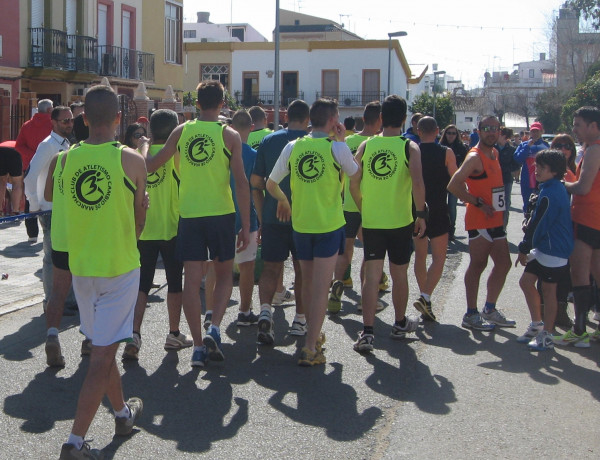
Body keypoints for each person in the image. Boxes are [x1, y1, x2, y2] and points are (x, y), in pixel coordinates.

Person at [57, 84, 146, 459]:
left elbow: (61, 221)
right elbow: (140, 221)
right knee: (101, 358)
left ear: (83, 120)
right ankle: (73, 442)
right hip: (119, 268)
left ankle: (123, 414)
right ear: (118, 120)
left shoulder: (64, 161)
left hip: (83, 269)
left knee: (103, 348)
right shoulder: (132, 160)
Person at [140, 80, 250, 367]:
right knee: (224, 275)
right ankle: (214, 327)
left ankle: (198, 346)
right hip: (221, 214)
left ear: (196, 104)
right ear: (223, 104)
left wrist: (142, 148)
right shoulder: (230, 136)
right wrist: (247, 225)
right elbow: (241, 183)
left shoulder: (182, 130)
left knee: (192, 281)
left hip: (189, 216)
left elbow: (151, 165)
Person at [266, 98, 358, 365]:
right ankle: (309, 346)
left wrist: (284, 200)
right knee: (320, 288)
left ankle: (312, 336)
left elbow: (271, 184)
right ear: (333, 121)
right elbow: (355, 172)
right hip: (328, 226)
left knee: (308, 284)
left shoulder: (293, 146)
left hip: (302, 226)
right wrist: (340, 142)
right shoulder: (336, 148)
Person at [349, 95, 427, 353]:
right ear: (405, 120)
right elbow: (417, 183)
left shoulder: (367, 146)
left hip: (372, 221)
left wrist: (363, 209)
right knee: (399, 274)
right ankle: (399, 323)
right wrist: (420, 214)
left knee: (371, 277)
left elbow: (353, 182)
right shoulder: (410, 147)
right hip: (399, 222)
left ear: (381, 118)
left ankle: (368, 332)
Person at [122, 109, 192, 361]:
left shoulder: (138, 155)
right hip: (170, 228)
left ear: (150, 129)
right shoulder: (176, 154)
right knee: (174, 283)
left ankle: (134, 334)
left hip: (143, 229)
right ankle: (173, 333)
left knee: (141, 286)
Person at [447, 115, 515, 331]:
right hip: (479, 221)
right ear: (479, 130)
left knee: (504, 264)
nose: (491, 132)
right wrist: (477, 202)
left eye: (495, 128)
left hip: (496, 221)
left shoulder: (494, 153)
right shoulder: (474, 157)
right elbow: (454, 185)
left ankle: (490, 309)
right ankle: (471, 313)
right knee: (478, 265)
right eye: (487, 128)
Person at [250, 100, 309, 343]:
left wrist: (263, 216)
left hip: (273, 216)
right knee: (302, 270)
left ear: (287, 117)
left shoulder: (270, 140)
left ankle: (265, 311)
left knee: (271, 268)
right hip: (305, 219)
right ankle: (300, 321)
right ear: (307, 120)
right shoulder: (314, 143)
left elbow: (255, 183)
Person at [515, 149, 573, 351]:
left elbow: (538, 224)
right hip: (545, 249)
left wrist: (523, 248)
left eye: (541, 167)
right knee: (526, 282)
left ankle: (547, 335)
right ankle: (537, 325)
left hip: (553, 251)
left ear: (554, 171)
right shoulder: (550, 187)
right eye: (536, 165)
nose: (535, 169)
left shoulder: (550, 192)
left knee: (549, 292)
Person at [329, 101, 383, 313]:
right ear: (379, 120)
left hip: (347, 202)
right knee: (371, 252)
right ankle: (365, 299)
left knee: (345, 250)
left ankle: (336, 290)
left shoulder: (347, 141)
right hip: (370, 203)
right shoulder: (378, 143)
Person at [24, 106, 76, 320]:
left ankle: (66, 301)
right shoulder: (48, 146)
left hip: (62, 209)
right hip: (50, 209)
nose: (69, 124)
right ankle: (51, 301)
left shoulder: (65, 144)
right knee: (51, 258)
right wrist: (35, 206)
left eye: (71, 120)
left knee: (65, 257)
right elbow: (30, 177)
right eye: (65, 121)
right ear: (53, 123)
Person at [555, 107, 600, 346]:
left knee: (579, 274)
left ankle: (580, 330)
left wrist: (563, 183)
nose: (575, 129)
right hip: (594, 219)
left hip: (587, 220)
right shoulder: (590, 149)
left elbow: (582, 188)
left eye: (579, 125)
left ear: (593, 126)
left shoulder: (593, 150)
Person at [413, 116, 457, 322]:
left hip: (417, 208)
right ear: (438, 130)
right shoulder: (446, 152)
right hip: (439, 207)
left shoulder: (413, 151)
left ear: (418, 130)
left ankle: (425, 297)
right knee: (439, 257)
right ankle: (426, 296)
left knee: (420, 257)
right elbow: (454, 179)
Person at [16, 98, 53, 243]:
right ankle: (49, 232)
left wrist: (33, 156)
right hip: (49, 167)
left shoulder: (27, 125)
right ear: (50, 110)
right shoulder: (53, 125)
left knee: (30, 198)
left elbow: (19, 145)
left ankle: (32, 234)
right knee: (50, 198)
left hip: (30, 166)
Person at [440, 124, 468, 239]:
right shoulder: (440, 146)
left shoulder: (462, 148)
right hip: (441, 181)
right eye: (449, 133)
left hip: (455, 181)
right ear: (444, 134)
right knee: (442, 206)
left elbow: (465, 165)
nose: (451, 135)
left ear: (457, 135)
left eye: (453, 133)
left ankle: (451, 229)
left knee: (452, 206)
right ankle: (443, 228)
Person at [514, 121, 549, 211]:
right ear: (530, 132)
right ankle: (527, 220)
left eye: (537, 131)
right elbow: (518, 159)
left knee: (542, 203)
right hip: (527, 179)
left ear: (542, 132)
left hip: (543, 179)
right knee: (527, 203)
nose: (535, 133)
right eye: (533, 131)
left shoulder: (546, 145)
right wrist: (527, 147)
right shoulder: (524, 145)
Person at [496, 127, 520, 229]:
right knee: (495, 204)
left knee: (505, 203)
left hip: (506, 180)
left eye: (500, 135)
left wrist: (504, 169)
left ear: (505, 137)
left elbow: (516, 165)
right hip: (494, 180)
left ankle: (503, 227)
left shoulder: (511, 150)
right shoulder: (492, 148)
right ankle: (495, 226)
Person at [0, 141, 24, 216]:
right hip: (15, 151)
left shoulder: (5, 142)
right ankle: (15, 211)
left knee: (1, 182)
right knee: (17, 183)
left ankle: (0, 210)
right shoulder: (21, 145)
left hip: (1, 150)